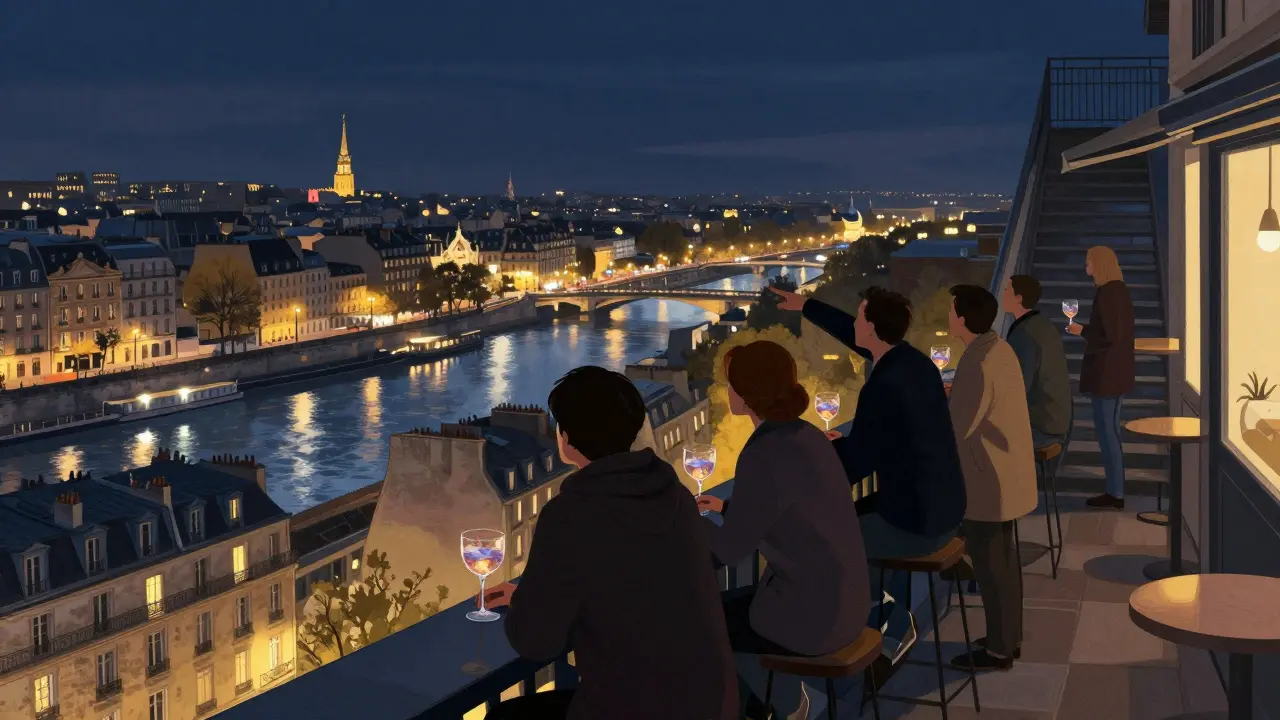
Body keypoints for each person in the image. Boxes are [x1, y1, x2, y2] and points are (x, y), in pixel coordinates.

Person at [481, 366, 737, 720]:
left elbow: (537, 642)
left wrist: (524, 600)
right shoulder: (675, 495)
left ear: (565, 440)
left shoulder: (569, 515)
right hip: (711, 704)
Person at [769, 285, 966, 666]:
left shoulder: (883, 386)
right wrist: (807, 306)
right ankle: (886, 615)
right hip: (947, 507)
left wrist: (818, 451)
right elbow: (859, 338)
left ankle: (864, 627)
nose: (855, 322)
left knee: (835, 541)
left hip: (919, 523)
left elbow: (854, 466)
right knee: (855, 519)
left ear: (872, 327)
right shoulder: (915, 363)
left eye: (860, 316)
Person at [697, 340, 870, 719]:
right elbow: (789, 509)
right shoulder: (805, 435)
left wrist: (681, 528)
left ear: (745, 394)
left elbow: (725, 551)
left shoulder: (763, 454)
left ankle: (790, 702)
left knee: (702, 626)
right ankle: (768, 704)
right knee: (722, 615)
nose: (728, 390)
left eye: (732, 382)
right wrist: (728, 507)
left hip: (814, 618)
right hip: (849, 603)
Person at [944, 285, 1038, 671]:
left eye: (952, 311)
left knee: (991, 567)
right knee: (1004, 563)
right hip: (1007, 474)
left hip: (987, 480)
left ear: (963, 318)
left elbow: (957, 428)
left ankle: (999, 649)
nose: (948, 316)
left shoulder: (976, 363)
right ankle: (1008, 637)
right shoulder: (997, 349)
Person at [1067, 246, 1135, 510]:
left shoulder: (1107, 293)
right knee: (1112, 432)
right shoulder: (1121, 291)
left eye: (1089, 261)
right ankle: (1115, 489)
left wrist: (1081, 329)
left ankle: (1115, 492)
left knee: (1107, 433)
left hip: (1106, 373)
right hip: (1118, 372)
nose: (1086, 266)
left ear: (1100, 263)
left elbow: (1109, 335)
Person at [1002, 275, 1072, 451]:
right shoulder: (1043, 325)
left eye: (1007, 291)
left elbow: (1018, 387)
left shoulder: (1025, 334)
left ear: (1019, 298)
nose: (1002, 295)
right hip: (1057, 418)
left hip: (1041, 428)